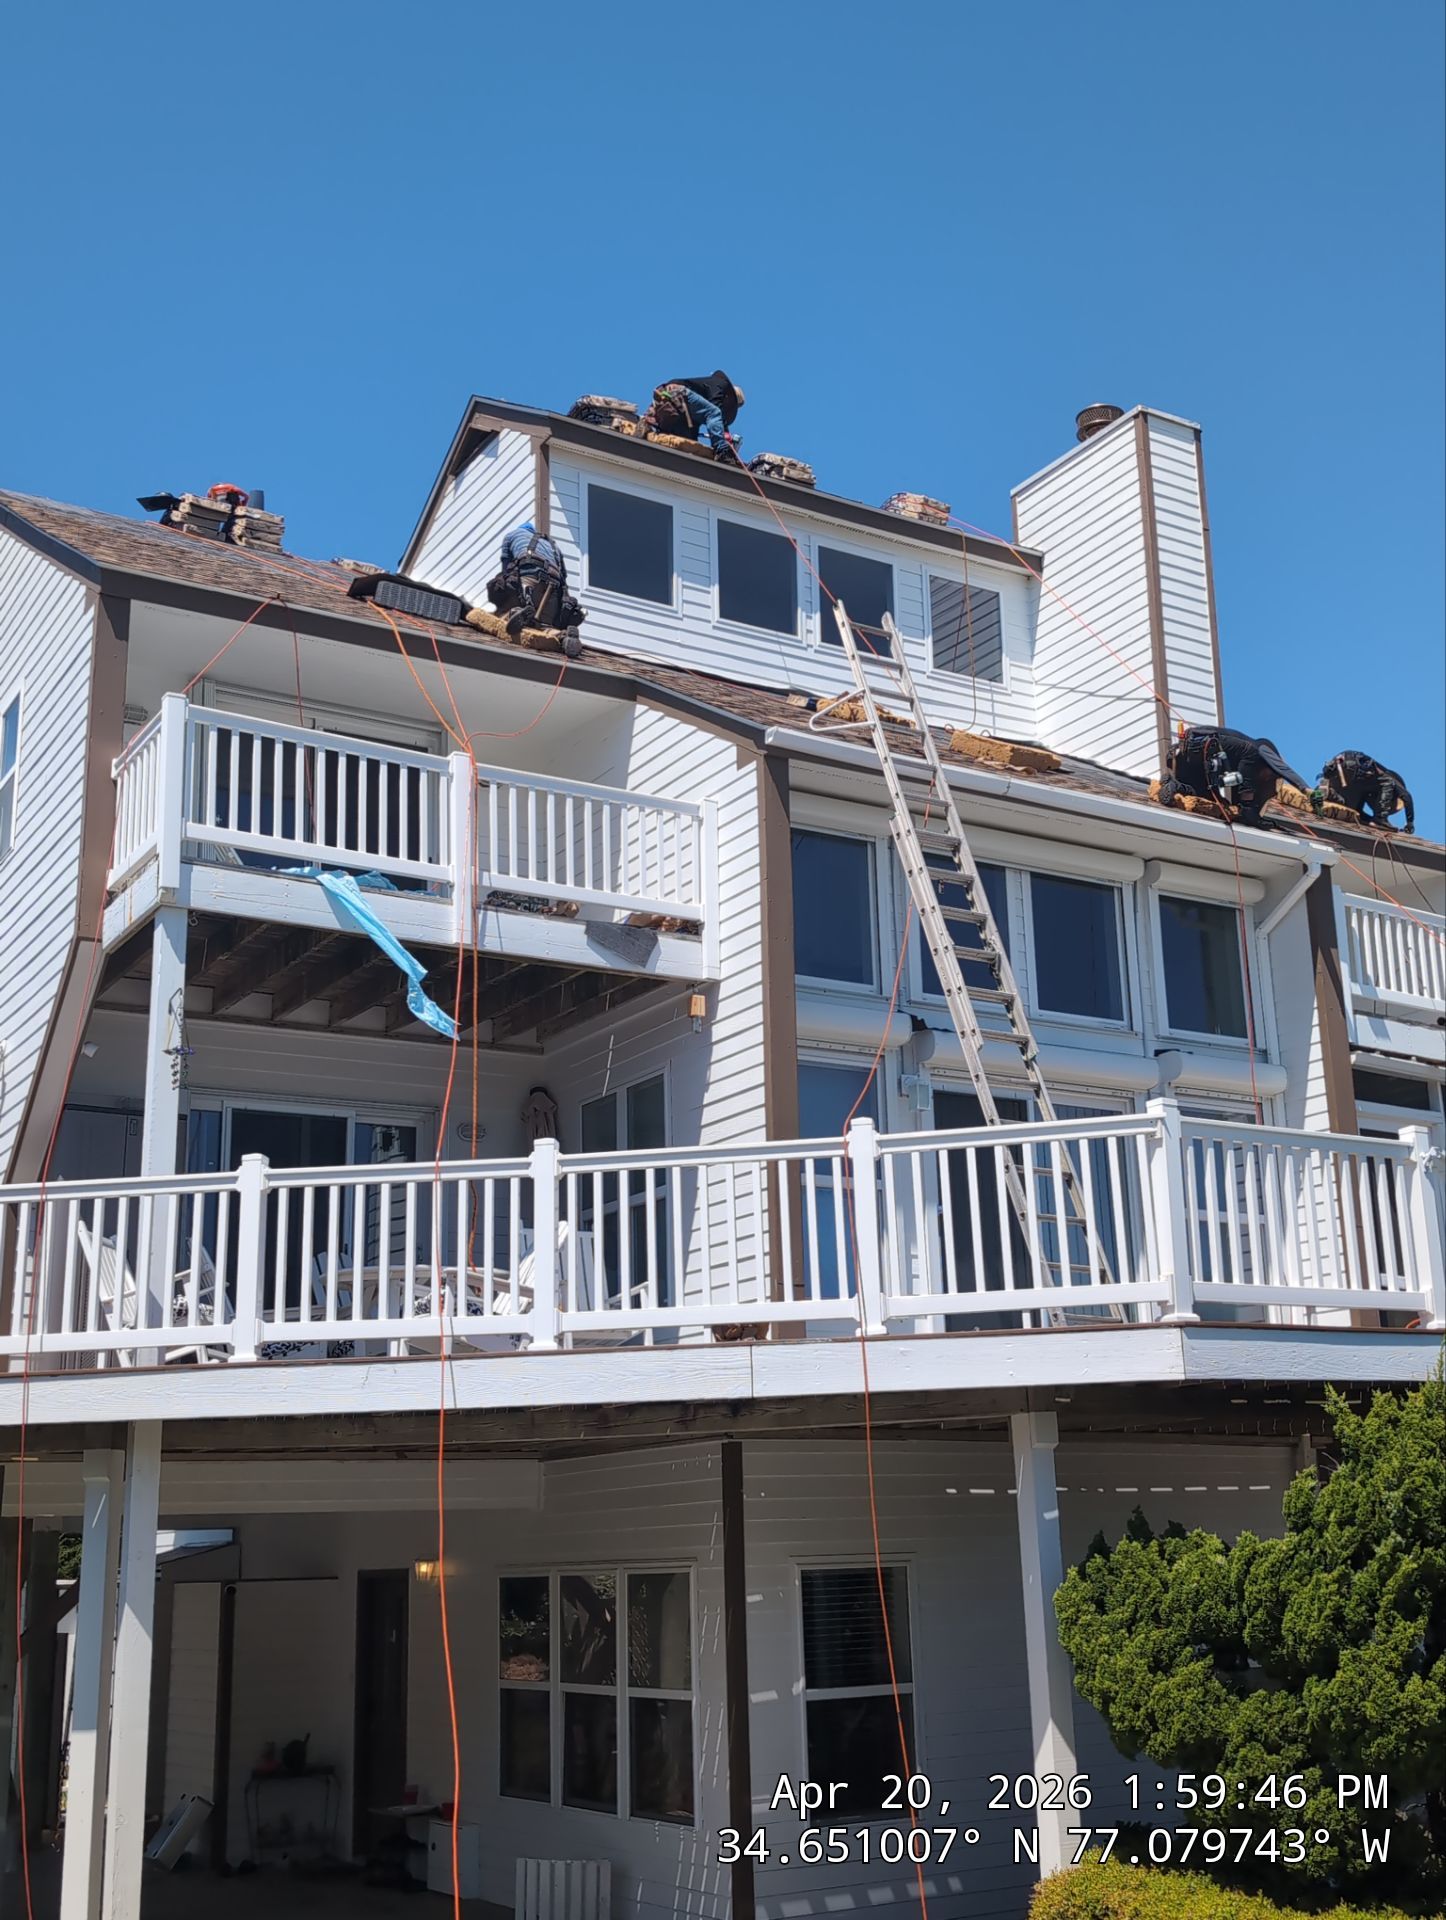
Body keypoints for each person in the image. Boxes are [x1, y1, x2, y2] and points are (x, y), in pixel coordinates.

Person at [1158, 726, 1310, 829]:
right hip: (1204, 746)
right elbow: (1283, 768)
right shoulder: (1259, 749)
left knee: (1206, 794)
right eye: (1269, 775)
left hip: (1182, 754)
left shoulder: (1238, 761)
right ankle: (1248, 810)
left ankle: (1174, 786)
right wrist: (1305, 788)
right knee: (1251, 753)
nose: (1265, 778)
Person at [489, 523, 585, 640]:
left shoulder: (511, 535)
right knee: (545, 626)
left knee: (504, 598)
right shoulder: (554, 546)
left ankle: (515, 613)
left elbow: (505, 569)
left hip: (530, 576)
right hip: (553, 586)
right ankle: (563, 637)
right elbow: (563, 577)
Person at [645, 370, 745, 458]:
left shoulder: (697, 408)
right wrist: (724, 437)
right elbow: (715, 406)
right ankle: (722, 451)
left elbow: (694, 429)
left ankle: (648, 428)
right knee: (714, 412)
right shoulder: (722, 384)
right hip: (677, 393)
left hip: (671, 403)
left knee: (688, 443)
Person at [1317, 751, 1415, 834]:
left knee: (1352, 811)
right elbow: (1407, 796)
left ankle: (1330, 793)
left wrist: (1370, 821)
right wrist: (1410, 823)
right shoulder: (1389, 776)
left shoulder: (1365, 788)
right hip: (1353, 767)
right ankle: (1381, 819)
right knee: (1389, 782)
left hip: (1336, 773)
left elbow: (1360, 816)